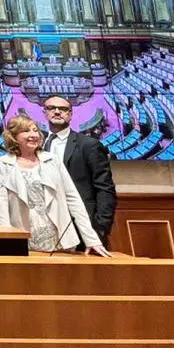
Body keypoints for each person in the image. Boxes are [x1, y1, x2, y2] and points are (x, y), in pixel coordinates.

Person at [0, 114, 111, 256]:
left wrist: (91, 239)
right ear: (13, 137)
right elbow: (1, 206)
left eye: (35, 130)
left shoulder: (52, 160)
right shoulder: (2, 164)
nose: (33, 135)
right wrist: (6, 241)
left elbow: (73, 199)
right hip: (23, 239)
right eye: (26, 131)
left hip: (59, 240)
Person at [42, 95, 117, 247]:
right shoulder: (38, 144)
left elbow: (105, 188)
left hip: (82, 228)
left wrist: (100, 229)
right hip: (45, 226)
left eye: (63, 109)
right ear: (45, 113)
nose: (57, 112)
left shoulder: (89, 145)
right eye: (51, 108)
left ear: (70, 114)